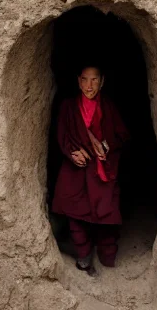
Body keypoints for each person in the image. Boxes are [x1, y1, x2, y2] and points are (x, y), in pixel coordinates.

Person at [51, 65, 129, 276]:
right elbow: (61, 134)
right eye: (85, 80)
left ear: (102, 81)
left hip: (102, 169)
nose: (89, 85)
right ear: (78, 81)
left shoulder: (109, 107)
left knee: (107, 213)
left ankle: (107, 256)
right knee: (75, 214)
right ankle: (84, 257)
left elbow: (122, 135)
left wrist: (106, 145)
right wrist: (72, 152)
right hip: (76, 169)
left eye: (94, 80)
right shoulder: (68, 106)